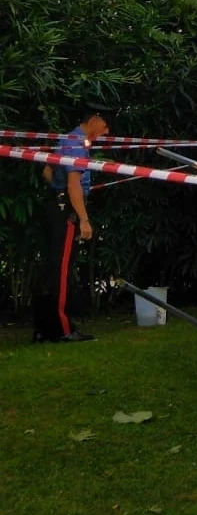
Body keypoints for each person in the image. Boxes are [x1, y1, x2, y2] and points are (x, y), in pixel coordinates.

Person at [32, 105, 111, 343]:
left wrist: (61, 188)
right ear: (95, 120)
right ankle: (63, 329)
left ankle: (43, 328)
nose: (107, 133)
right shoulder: (76, 145)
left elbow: (47, 172)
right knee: (62, 272)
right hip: (67, 211)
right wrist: (84, 219)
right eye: (106, 126)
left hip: (55, 208)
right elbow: (73, 185)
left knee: (51, 268)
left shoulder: (68, 139)